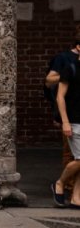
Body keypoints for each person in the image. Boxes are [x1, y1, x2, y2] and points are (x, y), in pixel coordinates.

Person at [46, 31, 80, 204]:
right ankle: (61, 184)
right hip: (73, 118)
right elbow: (55, 89)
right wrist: (64, 121)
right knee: (75, 157)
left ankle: (76, 197)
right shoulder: (68, 63)